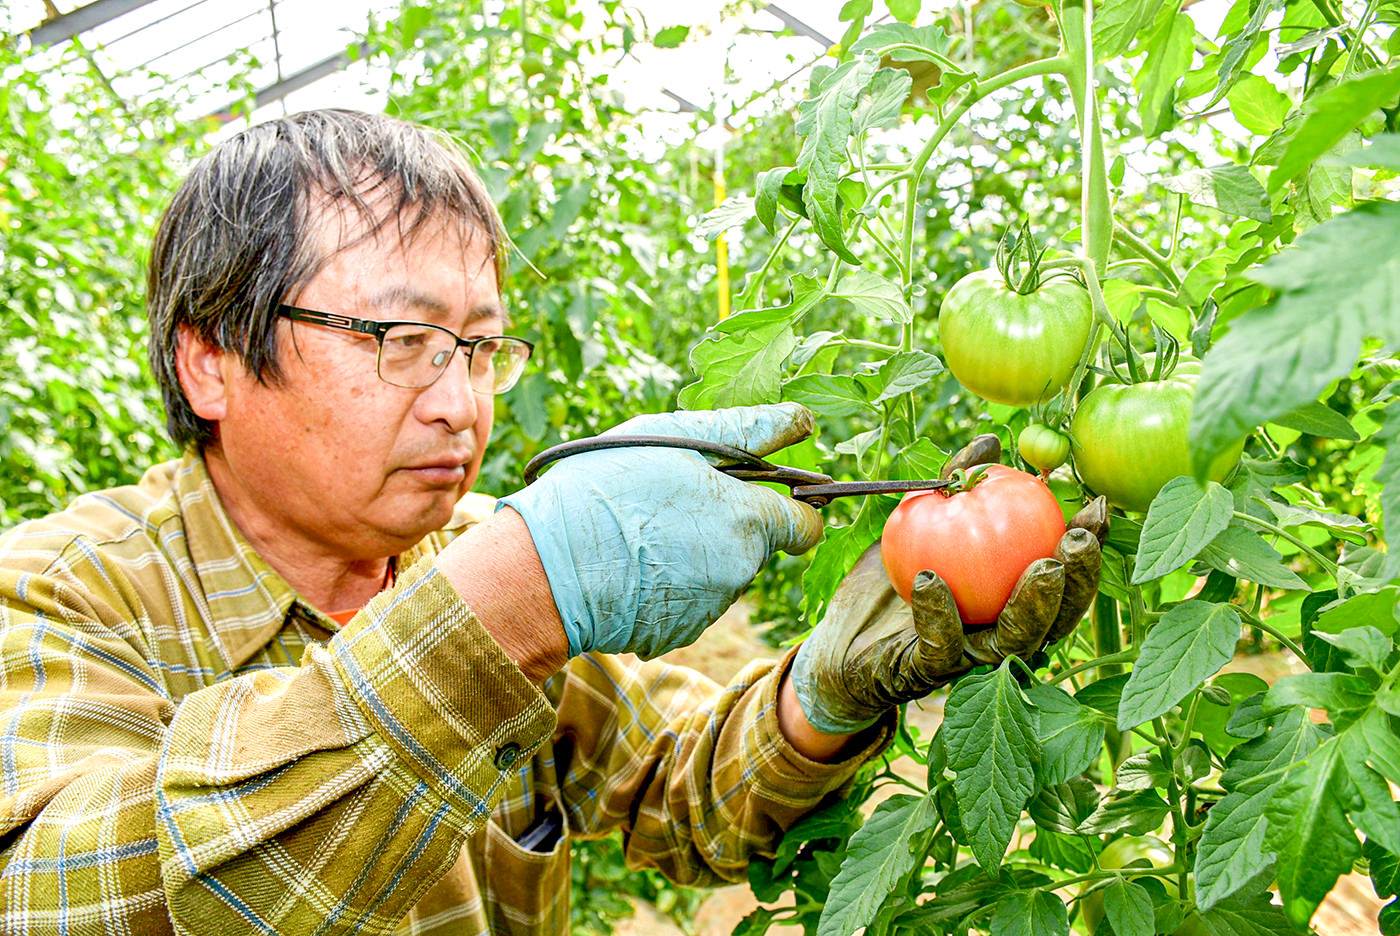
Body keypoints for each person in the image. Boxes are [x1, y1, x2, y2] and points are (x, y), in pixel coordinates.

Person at [0, 109, 1102, 936]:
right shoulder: (61, 595)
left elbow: (679, 791)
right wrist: (507, 599)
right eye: (398, 338)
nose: (459, 401)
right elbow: (62, 894)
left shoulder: (458, 547)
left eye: (478, 347)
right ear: (211, 360)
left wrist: (823, 692)